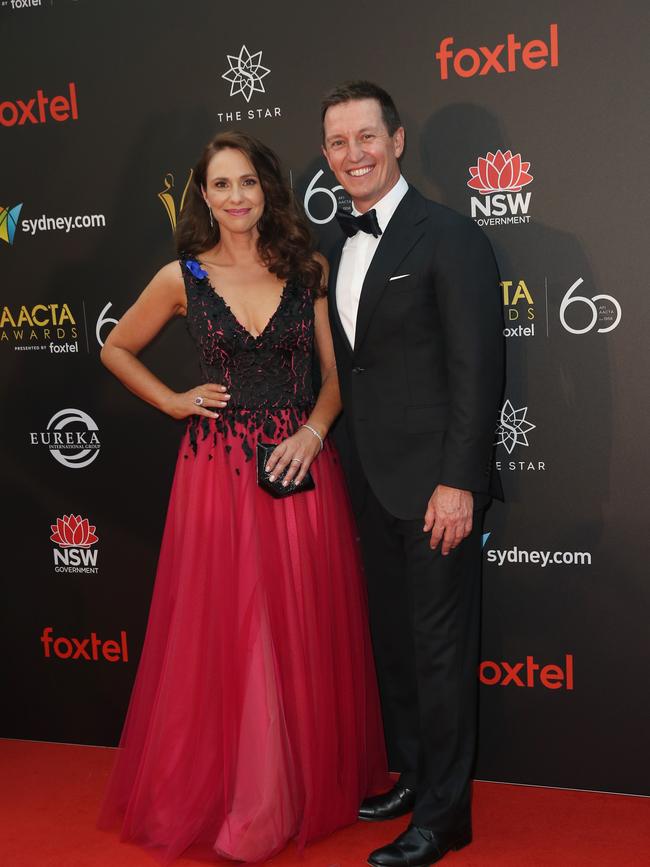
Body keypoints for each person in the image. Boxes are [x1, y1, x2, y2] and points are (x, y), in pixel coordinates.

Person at [98, 130, 389, 863]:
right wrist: (171, 401)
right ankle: (246, 799)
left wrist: (315, 435)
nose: (236, 197)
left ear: (269, 190)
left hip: (298, 466)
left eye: (248, 183)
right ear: (203, 194)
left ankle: (293, 789)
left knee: (296, 625)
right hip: (215, 472)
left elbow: (334, 378)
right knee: (233, 631)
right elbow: (114, 347)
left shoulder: (308, 268)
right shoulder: (182, 276)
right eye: (221, 184)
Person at [321, 81, 505, 867]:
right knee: (393, 645)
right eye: (337, 142)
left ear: (397, 140)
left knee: (437, 651)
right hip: (367, 482)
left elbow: (478, 368)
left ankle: (445, 815)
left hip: (435, 488)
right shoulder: (337, 244)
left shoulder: (449, 236)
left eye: (366, 136)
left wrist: (460, 479)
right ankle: (413, 774)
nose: (352, 154)